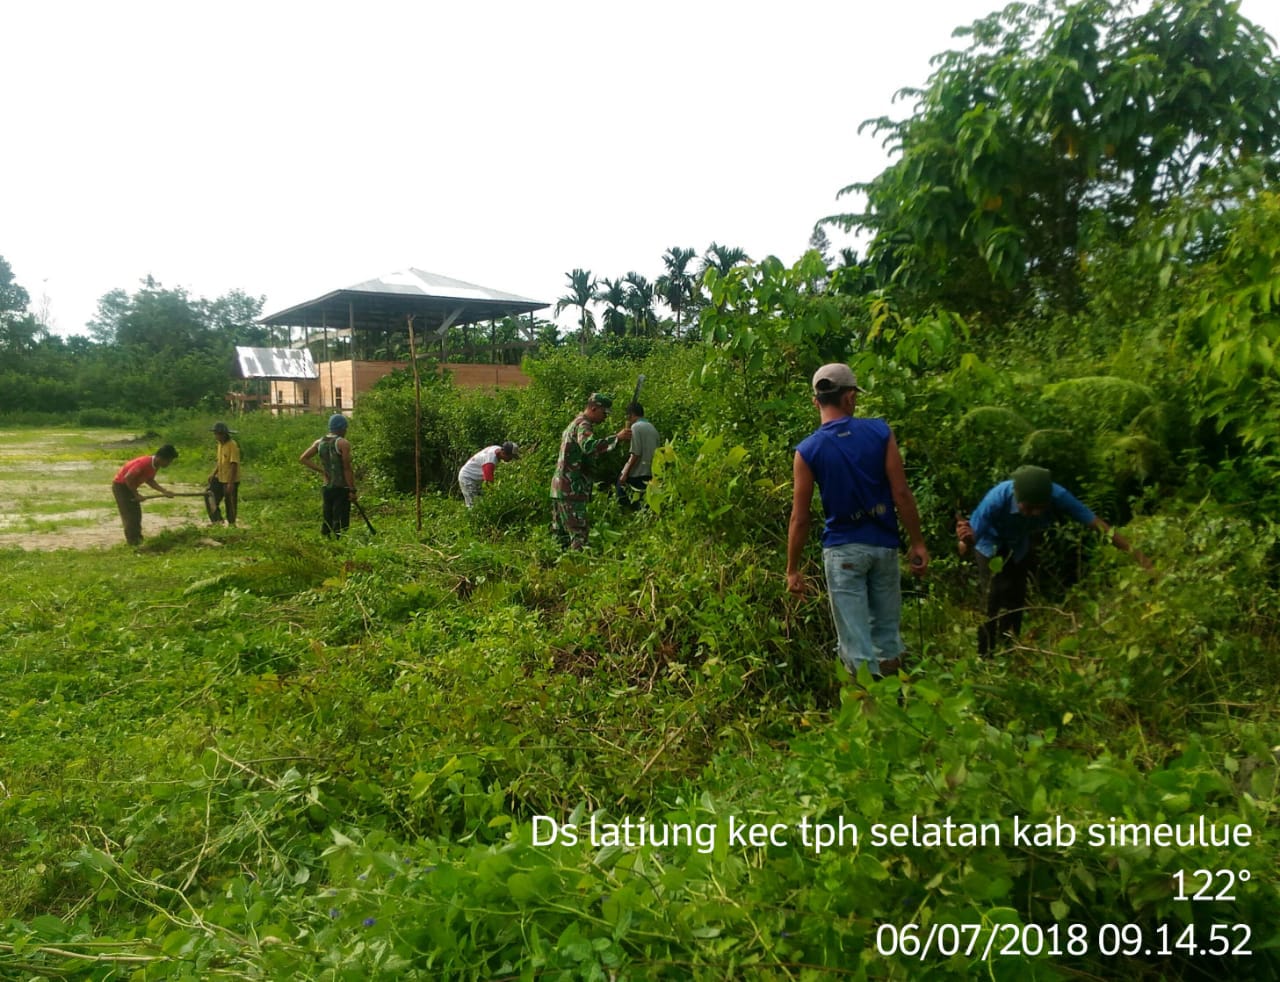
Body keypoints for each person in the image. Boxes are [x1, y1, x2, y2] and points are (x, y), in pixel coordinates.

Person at [786, 364, 929, 679]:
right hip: (884, 547)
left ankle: (869, 712)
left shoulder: (808, 451)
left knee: (855, 643)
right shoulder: (880, 432)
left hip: (843, 553)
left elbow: (801, 517)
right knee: (887, 634)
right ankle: (896, 705)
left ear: (816, 402)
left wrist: (793, 569)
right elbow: (901, 493)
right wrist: (917, 542)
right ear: (850, 398)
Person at [956, 464, 1152, 654]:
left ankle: (1010, 649)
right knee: (993, 596)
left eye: (1039, 508)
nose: (1034, 513)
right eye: (1028, 508)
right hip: (990, 545)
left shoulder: (1058, 496)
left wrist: (1139, 557)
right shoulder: (996, 499)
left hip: (1019, 545)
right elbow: (965, 546)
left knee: (1016, 597)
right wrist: (966, 539)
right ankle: (985, 654)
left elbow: (1098, 525)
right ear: (1016, 496)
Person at [550, 392, 631, 551]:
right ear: (594, 408)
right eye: (604, 413)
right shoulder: (583, 425)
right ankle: (577, 569)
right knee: (579, 534)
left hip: (559, 488)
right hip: (571, 489)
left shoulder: (573, 424)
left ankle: (552, 568)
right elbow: (588, 446)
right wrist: (617, 438)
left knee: (560, 535)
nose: (605, 418)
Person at [300, 414, 357, 538]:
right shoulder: (343, 443)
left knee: (328, 514)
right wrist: (352, 490)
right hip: (341, 487)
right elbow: (347, 469)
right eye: (345, 428)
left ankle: (326, 539)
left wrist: (322, 471)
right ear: (342, 428)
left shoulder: (319, 442)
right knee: (340, 517)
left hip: (327, 486)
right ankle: (339, 540)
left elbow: (304, 458)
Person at [111, 444, 178, 546]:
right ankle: (133, 543)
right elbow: (128, 478)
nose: (168, 464)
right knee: (130, 516)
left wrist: (164, 491)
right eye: (168, 461)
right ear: (160, 458)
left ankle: (137, 540)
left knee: (136, 515)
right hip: (121, 486)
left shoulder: (155, 465)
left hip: (129, 486)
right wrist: (136, 494)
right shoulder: (144, 463)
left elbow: (149, 480)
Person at [616, 402, 659, 510]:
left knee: (620, 488)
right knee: (644, 503)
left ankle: (624, 516)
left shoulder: (635, 427)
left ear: (631, 415)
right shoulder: (653, 428)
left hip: (638, 473)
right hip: (651, 472)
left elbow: (636, 453)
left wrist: (624, 474)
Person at [458, 441, 519, 508]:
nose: (511, 459)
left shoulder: (496, 448)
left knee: (481, 502)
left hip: (474, 478)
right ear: (504, 453)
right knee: (473, 505)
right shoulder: (490, 462)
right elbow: (488, 484)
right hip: (467, 478)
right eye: (510, 457)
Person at [206, 421, 240, 526]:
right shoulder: (220, 445)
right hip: (220, 476)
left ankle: (232, 523)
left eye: (217, 434)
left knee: (230, 502)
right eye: (215, 434)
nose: (216, 436)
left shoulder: (232, 445)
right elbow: (220, 462)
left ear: (223, 434)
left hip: (230, 479)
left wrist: (230, 483)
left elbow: (234, 464)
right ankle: (217, 520)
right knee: (209, 496)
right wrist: (213, 473)